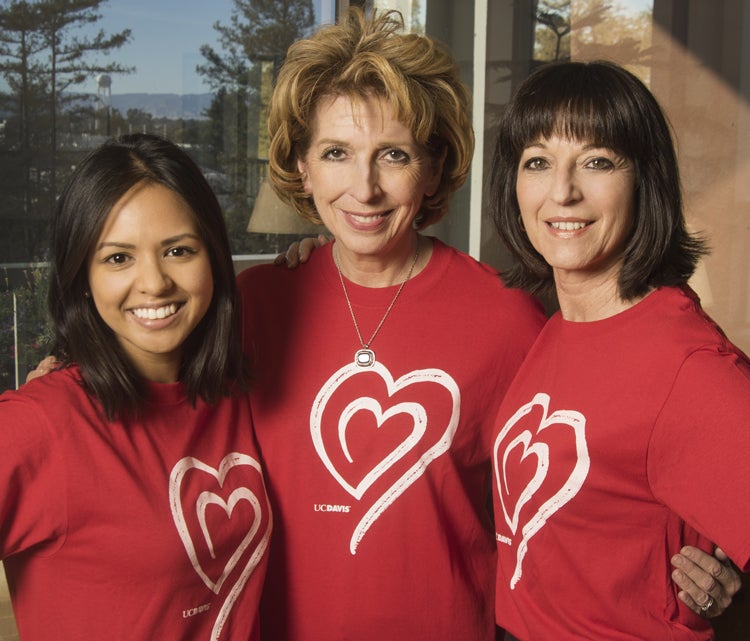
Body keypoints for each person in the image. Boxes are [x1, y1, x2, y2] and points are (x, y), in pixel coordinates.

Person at [236, 9, 736, 640]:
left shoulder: (511, 319)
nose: (363, 188)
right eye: (336, 153)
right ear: (302, 167)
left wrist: (709, 566)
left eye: (393, 154)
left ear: (433, 166)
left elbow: (592, 476)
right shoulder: (251, 307)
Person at [489, 59, 750, 640]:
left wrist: (738, 600)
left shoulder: (689, 370)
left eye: (598, 161)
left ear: (644, 179)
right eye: (538, 162)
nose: (563, 191)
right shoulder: (557, 326)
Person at [0, 133, 272, 641]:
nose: (153, 282)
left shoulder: (240, 391)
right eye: (118, 258)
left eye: (178, 250)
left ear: (212, 257)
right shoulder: (39, 426)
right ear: (82, 275)